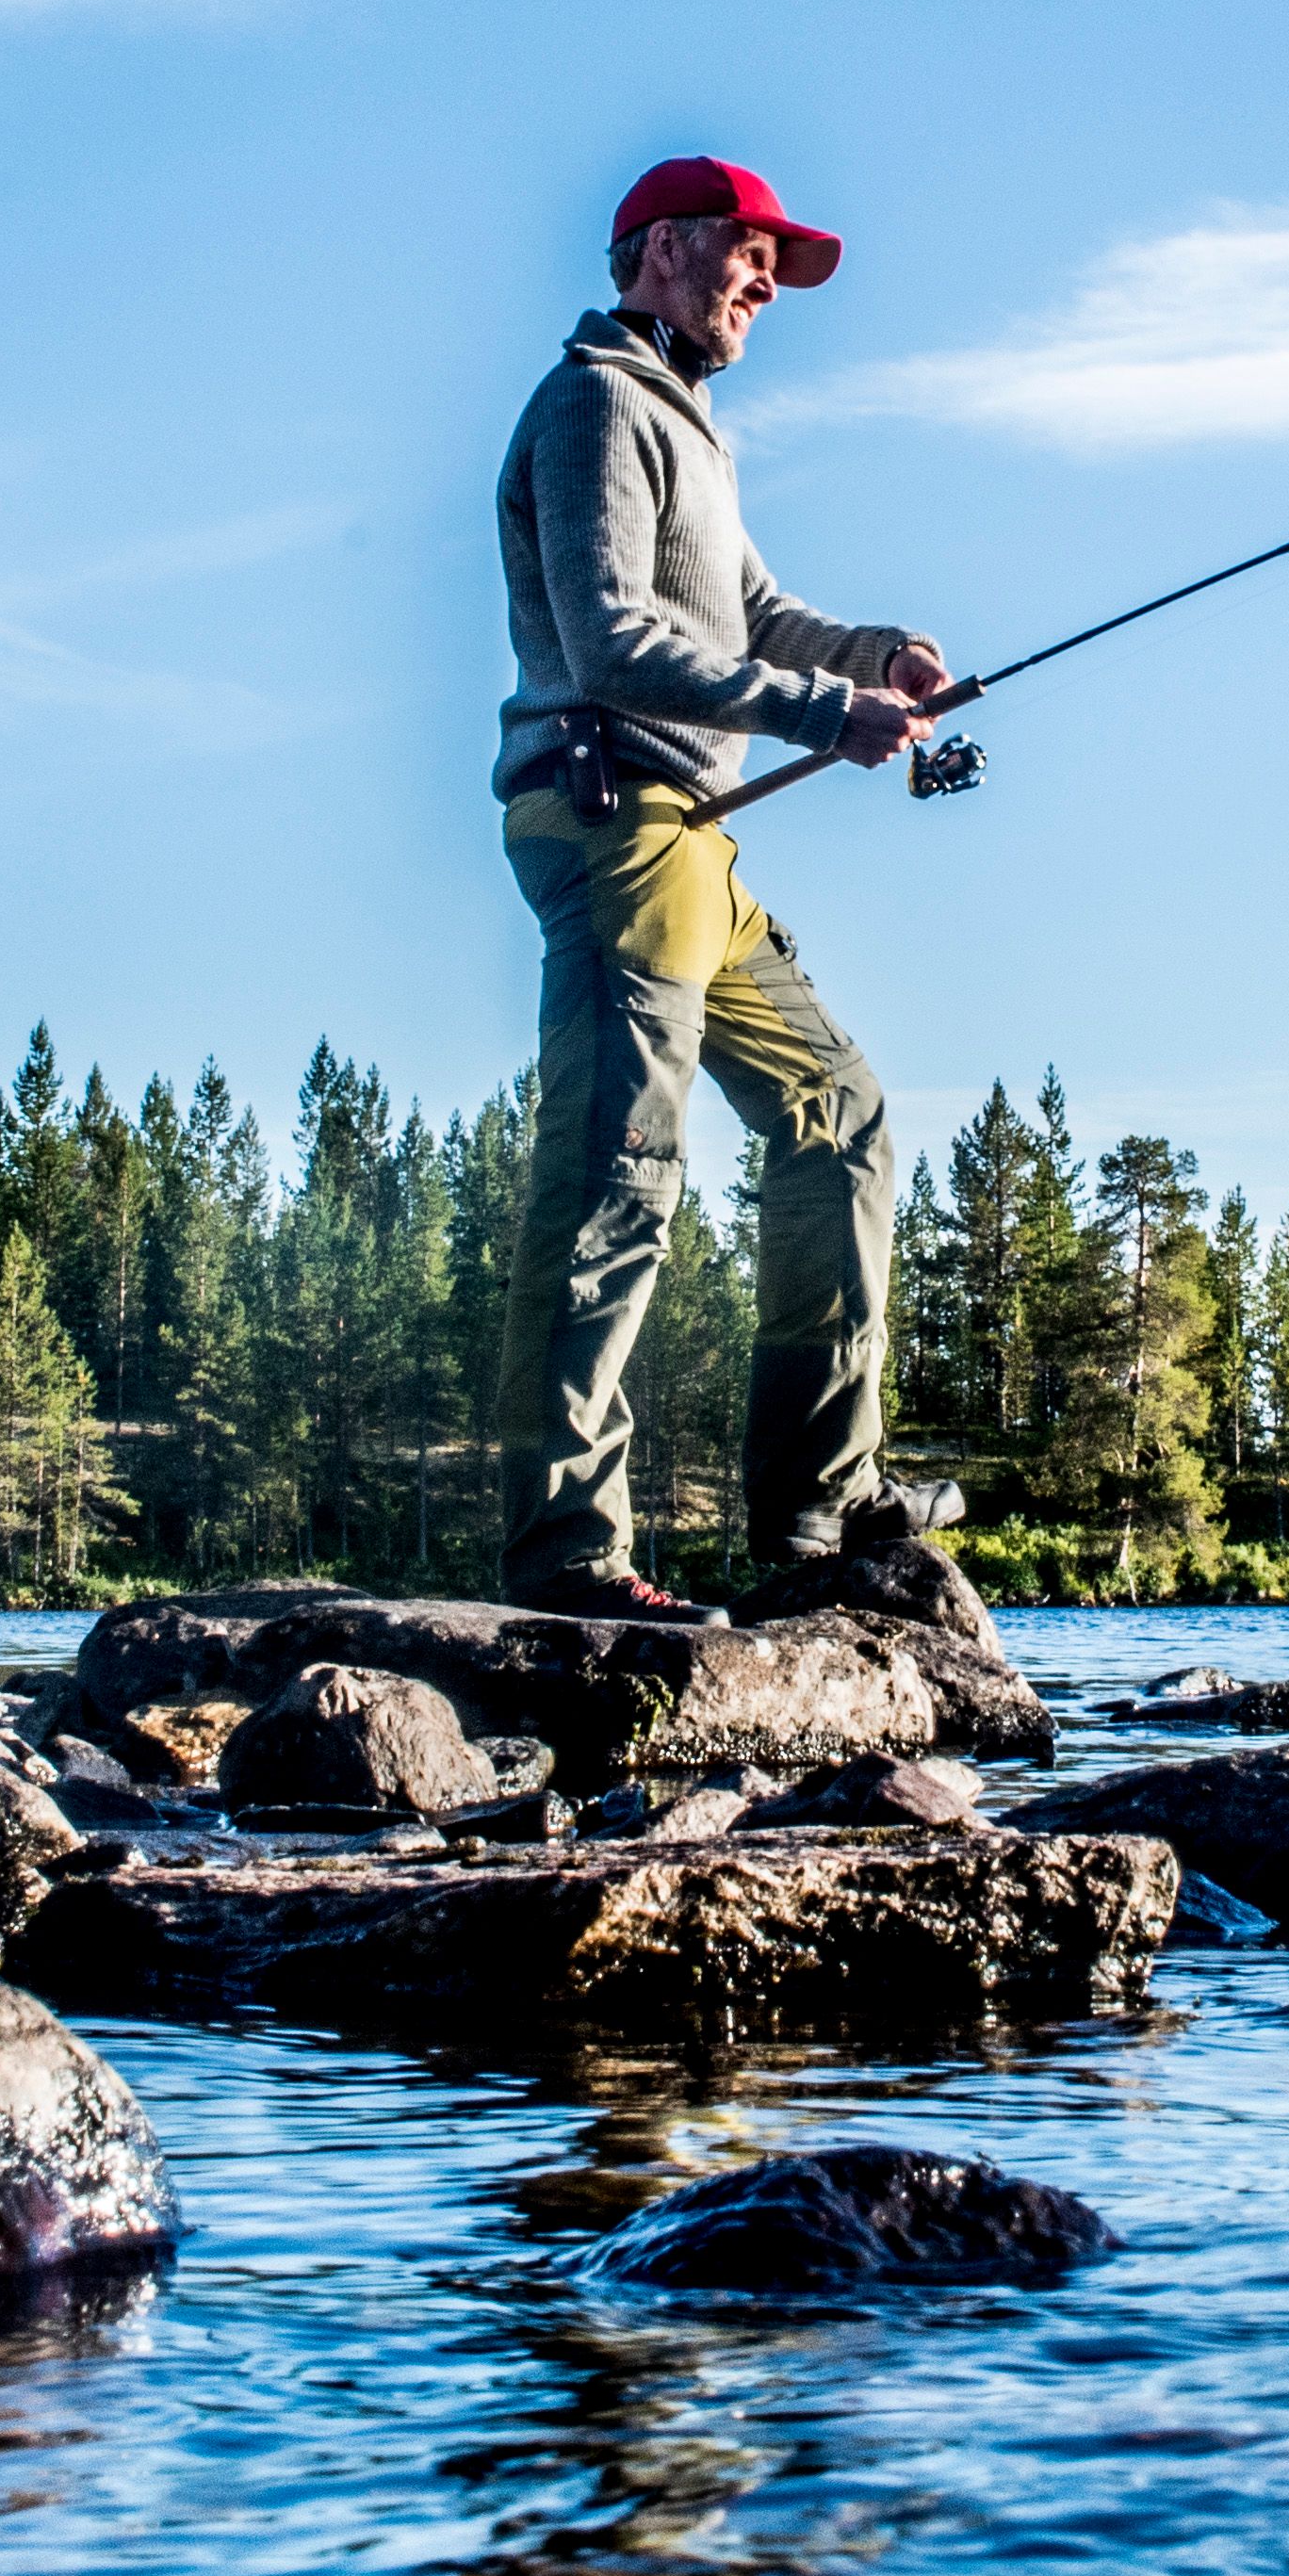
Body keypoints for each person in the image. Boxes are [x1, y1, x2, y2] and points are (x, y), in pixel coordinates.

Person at [489, 155, 968, 1622]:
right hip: (615, 822)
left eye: (774, 263)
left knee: (843, 1119)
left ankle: (820, 1514)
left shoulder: (689, 426)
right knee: (615, 1177)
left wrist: (874, 655)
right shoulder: (592, 406)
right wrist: (827, 720)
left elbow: (754, 613)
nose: (767, 283)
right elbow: (615, 633)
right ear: (665, 249)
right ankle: (570, 1558)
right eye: (754, 255)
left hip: (698, 837)